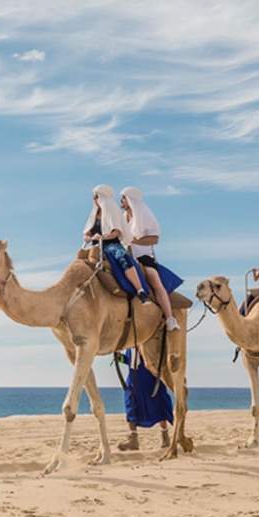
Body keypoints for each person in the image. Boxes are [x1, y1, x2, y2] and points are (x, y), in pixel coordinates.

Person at [120, 186, 183, 331]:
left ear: (130, 200)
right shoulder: (123, 217)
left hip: (143, 256)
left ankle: (169, 318)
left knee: (153, 279)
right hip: (126, 256)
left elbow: (154, 239)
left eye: (124, 198)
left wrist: (134, 241)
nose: (121, 201)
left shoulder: (145, 216)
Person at [83, 184, 150, 302]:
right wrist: (87, 237)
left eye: (96, 197)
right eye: (94, 197)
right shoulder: (93, 214)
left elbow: (116, 232)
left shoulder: (112, 211)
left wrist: (102, 237)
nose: (94, 200)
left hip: (111, 245)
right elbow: (87, 231)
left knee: (122, 257)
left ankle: (140, 290)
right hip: (95, 246)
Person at [116, 350, 173, 452]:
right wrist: (119, 357)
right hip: (133, 382)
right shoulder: (130, 346)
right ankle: (133, 440)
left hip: (151, 380)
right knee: (130, 407)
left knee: (159, 406)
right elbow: (129, 361)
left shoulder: (148, 341)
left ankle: (165, 437)